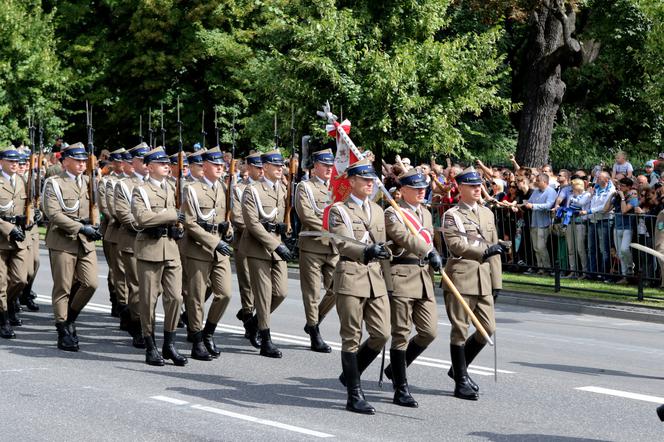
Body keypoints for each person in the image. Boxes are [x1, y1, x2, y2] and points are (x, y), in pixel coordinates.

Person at [328, 158, 391, 415]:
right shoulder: (339, 210)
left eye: (372, 180)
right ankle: (354, 394)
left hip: (375, 279)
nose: (369, 184)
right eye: (365, 180)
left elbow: (384, 244)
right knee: (351, 337)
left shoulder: (377, 211)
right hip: (351, 276)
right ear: (351, 182)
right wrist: (367, 250)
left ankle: (350, 373)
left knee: (381, 333)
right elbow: (342, 242)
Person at [441, 166, 502, 401]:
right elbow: (456, 245)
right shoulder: (452, 215)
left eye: (479, 185)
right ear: (460, 188)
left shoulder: (487, 213)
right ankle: (461, 381)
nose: (478, 189)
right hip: (462, 278)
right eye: (472, 186)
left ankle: (458, 368)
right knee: (460, 330)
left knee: (488, 329)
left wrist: (497, 282)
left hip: (484, 279)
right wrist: (483, 252)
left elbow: (495, 246)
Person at [382, 168, 441, 408]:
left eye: (423, 188)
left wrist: (433, 253)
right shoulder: (392, 213)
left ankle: (395, 368)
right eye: (415, 189)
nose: (421, 192)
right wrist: (429, 251)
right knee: (401, 335)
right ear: (402, 191)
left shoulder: (425, 214)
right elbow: (403, 238)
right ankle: (400, 387)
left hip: (423, 276)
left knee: (429, 331)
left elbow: (429, 237)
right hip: (402, 275)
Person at [131, 147, 187, 367]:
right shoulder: (141, 190)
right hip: (150, 250)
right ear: (149, 166)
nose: (166, 166)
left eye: (167, 163)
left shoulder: (172, 188)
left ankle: (169, 343)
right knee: (148, 301)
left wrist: (178, 228)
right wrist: (172, 215)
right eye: (161, 163)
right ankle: (150, 345)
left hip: (171, 249)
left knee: (175, 298)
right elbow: (142, 218)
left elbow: (179, 218)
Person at [42, 143, 101, 351]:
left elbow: (97, 207)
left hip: (86, 241)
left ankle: (70, 318)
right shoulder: (54, 183)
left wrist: (96, 225)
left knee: (90, 283)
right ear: (65, 161)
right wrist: (81, 228)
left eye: (84, 160)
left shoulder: (90, 181)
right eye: (77, 160)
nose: (82, 164)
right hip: (63, 240)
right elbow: (54, 214)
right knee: (63, 288)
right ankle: (62, 331)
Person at [181, 147, 234, 361]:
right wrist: (215, 242)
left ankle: (208, 332)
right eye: (215, 164)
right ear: (204, 166)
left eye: (221, 164)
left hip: (219, 248)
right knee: (195, 297)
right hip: (198, 248)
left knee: (225, 293)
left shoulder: (223, 188)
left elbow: (225, 218)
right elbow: (190, 224)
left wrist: (228, 232)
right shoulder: (191, 189)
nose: (220, 167)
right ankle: (196, 340)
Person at [240, 149, 293, 358]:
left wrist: (284, 231)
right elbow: (252, 223)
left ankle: (253, 322)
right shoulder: (253, 191)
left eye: (282, 165)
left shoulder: (284, 189)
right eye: (276, 165)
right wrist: (275, 244)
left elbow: (282, 217)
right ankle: (266, 340)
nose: (280, 169)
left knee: (280, 292)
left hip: (276, 242)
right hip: (257, 246)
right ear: (265, 167)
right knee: (262, 294)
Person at [294, 149, 339, 353]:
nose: (329, 169)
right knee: (311, 292)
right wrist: (330, 231)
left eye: (331, 165)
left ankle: (315, 319)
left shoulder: (338, 188)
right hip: (313, 246)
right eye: (325, 165)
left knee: (337, 288)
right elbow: (306, 215)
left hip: (334, 247)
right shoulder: (306, 187)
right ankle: (314, 332)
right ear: (315, 167)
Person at [113, 144, 148, 348]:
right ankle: (139, 327)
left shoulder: (163, 183)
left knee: (155, 288)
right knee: (137, 287)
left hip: (155, 243)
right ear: (132, 163)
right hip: (133, 240)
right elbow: (123, 213)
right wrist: (145, 225)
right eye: (141, 160)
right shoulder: (124, 185)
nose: (145, 164)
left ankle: (130, 313)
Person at [0, 147, 32, 338]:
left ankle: (9, 302)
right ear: (1, 162)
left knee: (21, 278)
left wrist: (34, 214)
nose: (15, 164)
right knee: (1, 283)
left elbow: (29, 204)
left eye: (17, 161)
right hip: (1, 238)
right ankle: (3, 320)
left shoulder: (21, 180)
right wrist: (8, 228)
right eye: (10, 161)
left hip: (19, 238)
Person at [232, 152, 263, 347]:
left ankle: (252, 318)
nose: (261, 170)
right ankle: (248, 319)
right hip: (245, 241)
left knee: (262, 286)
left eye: (262, 167)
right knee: (247, 284)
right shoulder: (239, 189)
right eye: (257, 167)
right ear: (248, 168)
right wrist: (257, 228)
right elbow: (237, 217)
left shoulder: (267, 188)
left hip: (264, 242)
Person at [583, 172, 615, 278]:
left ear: (606, 179)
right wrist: (589, 193)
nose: (596, 179)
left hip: (604, 221)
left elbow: (604, 206)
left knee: (604, 249)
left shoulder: (611, 190)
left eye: (599, 177)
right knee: (591, 248)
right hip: (593, 221)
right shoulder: (594, 189)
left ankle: (604, 274)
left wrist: (590, 211)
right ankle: (592, 273)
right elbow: (585, 201)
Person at [523, 174, 557, 273]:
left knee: (541, 247)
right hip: (534, 222)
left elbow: (548, 205)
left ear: (544, 182)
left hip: (544, 223)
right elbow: (529, 202)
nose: (536, 182)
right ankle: (540, 267)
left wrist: (533, 206)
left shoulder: (551, 192)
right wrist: (522, 205)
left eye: (538, 180)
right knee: (536, 247)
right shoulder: (536, 191)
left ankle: (547, 267)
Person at [563, 179, 591, 279]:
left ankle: (584, 272)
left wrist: (573, 201)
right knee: (571, 248)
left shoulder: (587, 195)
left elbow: (580, 203)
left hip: (580, 223)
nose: (572, 188)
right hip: (570, 223)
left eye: (573, 186)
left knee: (580, 249)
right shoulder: (571, 196)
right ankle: (573, 271)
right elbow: (567, 207)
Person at [612, 177, 638, 284]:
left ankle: (630, 266)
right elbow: (606, 208)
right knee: (620, 253)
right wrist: (612, 196)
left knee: (624, 249)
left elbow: (624, 211)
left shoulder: (633, 197)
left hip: (628, 227)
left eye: (622, 186)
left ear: (628, 187)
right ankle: (624, 276)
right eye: (619, 185)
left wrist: (622, 197)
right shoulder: (618, 197)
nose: (620, 187)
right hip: (617, 227)